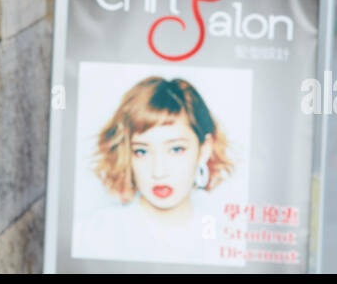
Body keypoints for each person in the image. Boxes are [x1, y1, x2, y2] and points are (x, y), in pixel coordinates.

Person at [72, 76, 242, 267]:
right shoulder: (94, 236)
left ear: (204, 150)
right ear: (127, 153)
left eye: (176, 149)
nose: (159, 171)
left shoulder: (226, 245)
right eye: (142, 151)